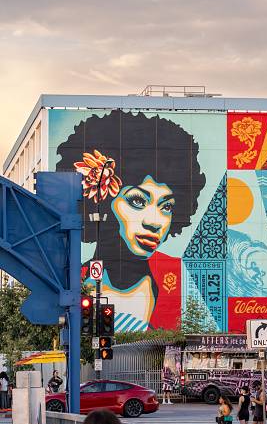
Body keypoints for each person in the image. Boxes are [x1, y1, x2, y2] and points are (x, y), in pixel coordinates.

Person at [57, 110, 205, 331]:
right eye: (137, 201)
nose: (154, 222)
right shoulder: (70, 282)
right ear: (104, 202)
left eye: (166, 206)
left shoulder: (179, 282)